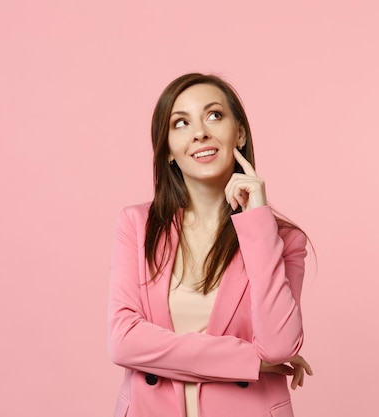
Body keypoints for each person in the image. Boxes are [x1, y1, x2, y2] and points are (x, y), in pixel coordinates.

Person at [108, 73, 312, 417]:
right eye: (181, 123)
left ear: (240, 133)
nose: (199, 132)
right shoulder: (138, 225)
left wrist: (258, 221)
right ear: (169, 150)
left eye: (214, 115)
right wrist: (248, 360)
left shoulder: (283, 239)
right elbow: (124, 342)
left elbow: (277, 346)